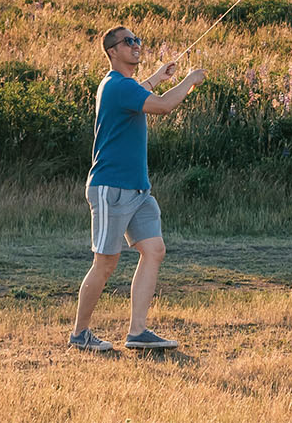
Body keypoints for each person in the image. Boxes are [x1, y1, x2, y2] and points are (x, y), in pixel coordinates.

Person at [69, 26, 206, 353]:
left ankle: (138, 332)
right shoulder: (116, 85)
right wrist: (189, 80)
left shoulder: (124, 87)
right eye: (128, 42)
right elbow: (161, 107)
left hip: (137, 189)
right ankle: (80, 334)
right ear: (113, 52)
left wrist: (158, 77)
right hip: (111, 187)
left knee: (154, 249)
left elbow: (143, 93)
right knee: (105, 264)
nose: (135, 46)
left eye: (138, 40)